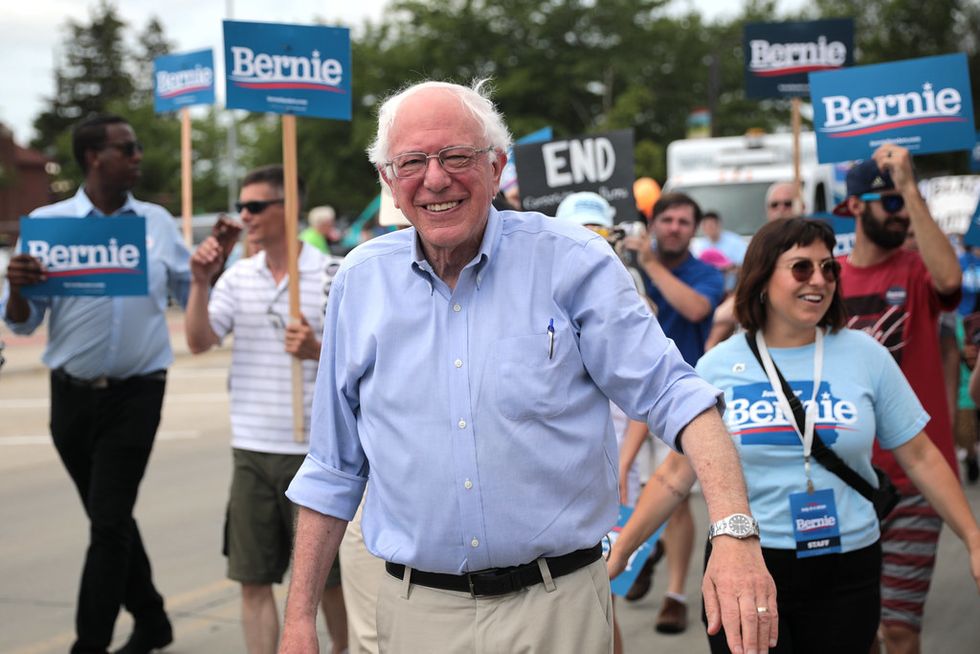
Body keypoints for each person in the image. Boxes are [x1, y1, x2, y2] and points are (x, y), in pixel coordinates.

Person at [278, 80, 776, 654]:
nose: (435, 178)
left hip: (556, 609)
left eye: (457, 157)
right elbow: (333, 468)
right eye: (412, 162)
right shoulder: (359, 282)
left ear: (496, 166)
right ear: (389, 182)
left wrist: (735, 534)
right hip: (416, 617)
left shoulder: (573, 262)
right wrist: (298, 622)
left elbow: (677, 395)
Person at [609, 218, 980, 653]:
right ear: (763, 278)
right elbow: (675, 475)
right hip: (746, 564)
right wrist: (620, 554)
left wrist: (973, 538)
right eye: (802, 268)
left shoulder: (867, 356)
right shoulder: (717, 365)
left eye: (829, 268)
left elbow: (921, 457)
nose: (819, 280)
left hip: (848, 567)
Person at [0, 114, 189, 654]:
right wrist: (16, 286)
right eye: (125, 148)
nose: (137, 156)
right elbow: (22, 321)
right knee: (113, 516)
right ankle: (152, 619)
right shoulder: (48, 223)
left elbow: (195, 290)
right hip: (71, 399)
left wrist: (208, 266)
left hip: (137, 392)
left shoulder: (155, 223)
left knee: (106, 525)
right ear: (93, 158)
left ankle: (90, 645)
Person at [184, 165, 347, 654]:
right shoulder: (237, 279)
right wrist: (198, 283)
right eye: (242, 207)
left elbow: (367, 359)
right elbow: (197, 341)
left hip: (316, 451)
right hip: (252, 449)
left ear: (289, 209)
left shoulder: (332, 275)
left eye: (256, 206)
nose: (245, 216)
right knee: (253, 579)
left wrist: (318, 350)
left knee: (328, 581)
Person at [834, 145, 963, 654]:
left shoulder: (915, 270)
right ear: (855, 207)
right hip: (843, 478)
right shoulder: (827, 279)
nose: (901, 211)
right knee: (857, 631)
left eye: (904, 201)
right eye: (888, 201)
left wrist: (911, 187)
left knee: (901, 629)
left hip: (913, 480)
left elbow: (950, 282)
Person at [623, 192, 725, 634]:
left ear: (696, 228)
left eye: (685, 221)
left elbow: (696, 309)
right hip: (626, 398)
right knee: (632, 490)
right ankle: (646, 549)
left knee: (674, 496)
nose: (675, 228)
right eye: (667, 220)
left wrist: (653, 267)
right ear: (653, 222)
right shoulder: (624, 266)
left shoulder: (706, 274)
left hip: (676, 401)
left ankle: (676, 594)